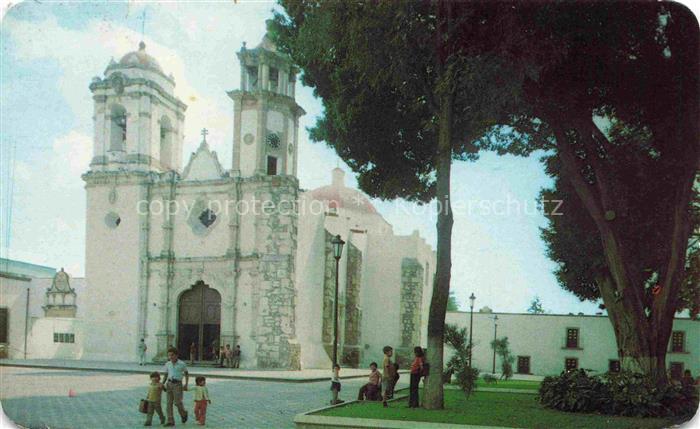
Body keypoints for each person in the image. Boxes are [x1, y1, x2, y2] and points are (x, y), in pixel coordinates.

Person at [162, 346, 189, 426]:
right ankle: (170, 421)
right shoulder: (168, 364)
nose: (170, 357)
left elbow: (186, 374)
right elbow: (166, 374)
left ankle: (183, 414)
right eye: (169, 355)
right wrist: (162, 383)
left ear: (177, 355)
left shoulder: (182, 364)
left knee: (177, 402)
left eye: (172, 355)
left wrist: (186, 384)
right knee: (168, 403)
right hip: (169, 384)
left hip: (178, 384)